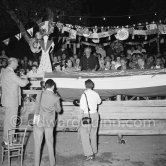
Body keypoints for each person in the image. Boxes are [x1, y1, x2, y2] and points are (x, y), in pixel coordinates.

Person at [0, 57, 29, 145]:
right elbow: (23, 83)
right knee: (11, 121)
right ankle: (8, 140)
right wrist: (26, 78)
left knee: (8, 120)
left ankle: (9, 138)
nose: (17, 65)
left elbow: (1, 83)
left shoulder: (3, 71)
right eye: (16, 63)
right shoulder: (11, 74)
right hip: (12, 100)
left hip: (6, 99)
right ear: (12, 63)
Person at [33, 79, 61, 166]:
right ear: (53, 86)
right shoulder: (55, 97)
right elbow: (59, 110)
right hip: (49, 122)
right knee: (49, 143)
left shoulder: (40, 94)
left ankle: (36, 164)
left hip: (39, 121)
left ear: (46, 86)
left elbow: (37, 107)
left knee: (37, 144)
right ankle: (52, 163)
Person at [79, 79, 102, 160]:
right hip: (95, 114)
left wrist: (80, 117)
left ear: (85, 86)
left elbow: (82, 107)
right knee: (93, 133)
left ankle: (89, 154)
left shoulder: (83, 95)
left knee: (84, 135)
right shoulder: (96, 93)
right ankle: (94, 150)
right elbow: (99, 102)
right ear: (92, 86)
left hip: (87, 116)